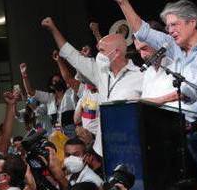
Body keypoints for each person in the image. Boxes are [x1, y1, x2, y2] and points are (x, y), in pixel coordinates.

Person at [111, 0, 197, 189]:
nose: (170, 31)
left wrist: (152, 102)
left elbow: (192, 88)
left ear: (192, 23)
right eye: (168, 27)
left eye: (174, 25)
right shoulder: (174, 46)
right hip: (179, 134)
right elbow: (143, 32)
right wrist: (123, 2)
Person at [41, 16, 145, 156]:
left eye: (101, 50)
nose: (98, 54)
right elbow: (71, 55)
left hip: (131, 148)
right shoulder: (99, 73)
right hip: (101, 150)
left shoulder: (141, 77)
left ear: (116, 53)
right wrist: (53, 29)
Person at [20, 59, 79, 137]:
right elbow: (30, 92)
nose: (58, 82)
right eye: (55, 81)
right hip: (56, 133)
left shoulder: (71, 93)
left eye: (60, 80)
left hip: (72, 131)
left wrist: (59, 61)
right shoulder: (49, 97)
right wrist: (24, 75)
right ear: (51, 86)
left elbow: (72, 79)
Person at [136, 37, 179, 107]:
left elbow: (187, 94)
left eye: (144, 49)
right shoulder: (148, 72)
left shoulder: (177, 65)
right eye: (139, 51)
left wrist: (157, 101)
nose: (142, 55)